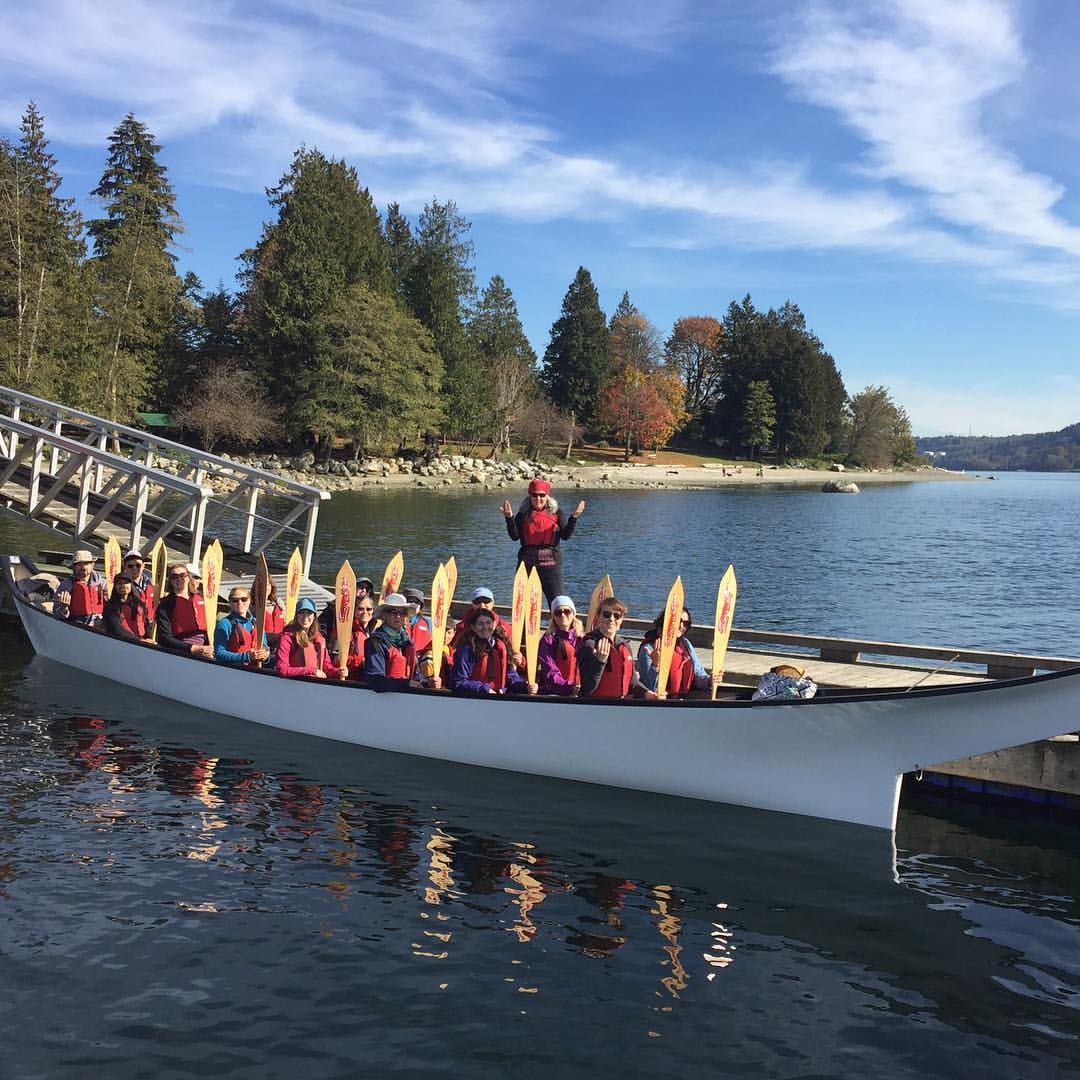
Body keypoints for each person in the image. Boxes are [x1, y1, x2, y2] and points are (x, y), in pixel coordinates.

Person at [501, 478, 585, 603]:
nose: (538, 499)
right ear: (530, 496)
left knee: (557, 601)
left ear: (547, 496)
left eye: (542, 495)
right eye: (534, 495)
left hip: (551, 564)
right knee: (523, 602)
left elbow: (565, 535)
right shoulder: (523, 514)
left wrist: (574, 518)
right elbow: (515, 536)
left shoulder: (557, 513)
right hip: (527, 563)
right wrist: (509, 518)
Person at [577, 597, 655, 700]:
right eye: (606, 614)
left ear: (621, 621)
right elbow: (586, 689)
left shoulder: (625, 646)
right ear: (598, 617)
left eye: (617, 616)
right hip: (595, 705)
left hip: (621, 705)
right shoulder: (588, 645)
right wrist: (599, 662)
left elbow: (633, 682)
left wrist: (647, 693)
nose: (611, 619)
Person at [450, 608, 536, 696]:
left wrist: (525, 686)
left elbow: (511, 676)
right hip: (477, 696)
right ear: (473, 627)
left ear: (494, 625)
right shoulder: (467, 650)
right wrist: (484, 689)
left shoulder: (501, 647)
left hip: (498, 696)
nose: (485, 627)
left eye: (488, 623)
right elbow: (458, 681)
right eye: (480, 624)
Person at [365, 593, 440, 692]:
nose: (398, 616)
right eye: (393, 612)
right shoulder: (375, 642)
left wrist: (428, 683)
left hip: (405, 697)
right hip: (386, 698)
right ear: (384, 615)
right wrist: (406, 684)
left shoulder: (408, 643)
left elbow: (417, 677)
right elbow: (376, 680)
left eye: (402, 613)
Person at [637, 607, 710, 697]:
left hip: (683, 699)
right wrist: (655, 665)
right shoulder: (649, 648)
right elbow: (647, 687)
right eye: (678, 621)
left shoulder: (685, 644)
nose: (681, 626)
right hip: (660, 701)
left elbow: (699, 675)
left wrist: (709, 681)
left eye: (686, 623)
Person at [155, 563, 214, 658]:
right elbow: (164, 638)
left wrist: (209, 648)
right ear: (170, 581)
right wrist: (191, 648)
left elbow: (210, 628)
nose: (179, 579)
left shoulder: (202, 600)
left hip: (205, 650)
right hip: (181, 651)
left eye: (182, 575)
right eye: (174, 577)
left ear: (188, 578)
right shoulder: (165, 604)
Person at [276, 598, 334, 678]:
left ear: (314, 617)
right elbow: (282, 669)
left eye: (309, 613)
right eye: (301, 613)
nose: (305, 618)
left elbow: (327, 667)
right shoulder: (287, 638)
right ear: (296, 616)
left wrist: (338, 672)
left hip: (314, 684)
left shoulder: (319, 638)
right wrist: (311, 671)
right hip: (296, 683)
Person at [214, 586, 271, 667]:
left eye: (244, 599)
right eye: (235, 600)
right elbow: (219, 653)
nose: (240, 603)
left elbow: (265, 646)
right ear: (230, 602)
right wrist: (247, 656)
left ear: (249, 601)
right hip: (233, 670)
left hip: (255, 670)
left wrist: (265, 655)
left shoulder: (257, 623)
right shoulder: (224, 624)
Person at [537, 595, 582, 696]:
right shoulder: (548, 640)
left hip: (579, 692)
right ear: (553, 617)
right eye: (558, 612)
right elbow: (550, 671)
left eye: (567, 611)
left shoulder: (582, 639)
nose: (562, 615)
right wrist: (569, 688)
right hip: (554, 693)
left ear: (573, 614)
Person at [54, 549, 106, 626]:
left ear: (92, 565)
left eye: (86, 564)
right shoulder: (66, 585)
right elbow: (57, 614)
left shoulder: (102, 583)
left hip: (99, 623)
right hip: (76, 624)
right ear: (73, 567)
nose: (83, 567)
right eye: (79, 565)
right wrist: (63, 608)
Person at [103, 573, 153, 643]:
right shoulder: (110, 607)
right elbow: (116, 628)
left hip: (141, 642)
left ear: (131, 585)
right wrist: (139, 640)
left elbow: (145, 624)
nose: (123, 586)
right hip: (122, 642)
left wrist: (148, 639)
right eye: (119, 583)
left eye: (126, 583)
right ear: (115, 587)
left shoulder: (139, 604)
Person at [338, 595, 376, 679]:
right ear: (353, 610)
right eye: (360, 609)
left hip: (369, 679)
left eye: (369, 609)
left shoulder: (374, 631)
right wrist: (361, 661)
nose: (365, 612)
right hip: (352, 680)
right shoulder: (346, 630)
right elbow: (336, 658)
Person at [404, 587, 435, 679]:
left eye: (417, 602)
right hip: (405, 661)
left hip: (422, 663)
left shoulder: (428, 622)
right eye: (410, 601)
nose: (413, 604)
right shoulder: (398, 621)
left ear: (421, 606)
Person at [123, 550, 156, 621]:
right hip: (131, 624)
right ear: (125, 567)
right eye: (130, 566)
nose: (134, 568)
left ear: (143, 566)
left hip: (150, 623)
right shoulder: (121, 586)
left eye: (138, 565)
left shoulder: (151, 584)